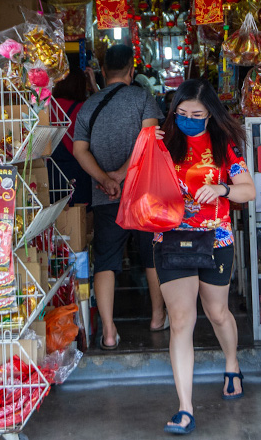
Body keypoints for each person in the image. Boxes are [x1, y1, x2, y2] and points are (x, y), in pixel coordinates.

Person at [153, 79, 255, 436]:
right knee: (181, 320)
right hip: (170, 238)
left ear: (211, 114)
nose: (188, 120)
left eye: (197, 114)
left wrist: (223, 188)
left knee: (217, 312)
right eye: (181, 114)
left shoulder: (224, 145)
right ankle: (185, 408)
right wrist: (145, 149)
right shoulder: (161, 142)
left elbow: (249, 191)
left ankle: (232, 363)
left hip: (216, 240)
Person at [72, 45, 167, 349]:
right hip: (144, 196)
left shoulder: (88, 106)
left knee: (107, 262)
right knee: (150, 258)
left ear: (102, 71)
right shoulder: (143, 98)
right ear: (131, 70)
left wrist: (104, 178)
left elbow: (79, 149)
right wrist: (123, 174)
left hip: (105, 198)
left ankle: (109, 332)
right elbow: (150, 140)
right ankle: (156, 317)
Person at [51, 69, 95, 206]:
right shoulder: (85, 108)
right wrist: (94, 85)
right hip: (78, 171)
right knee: (79, 216)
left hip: (51, 171)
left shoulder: (47, 105)